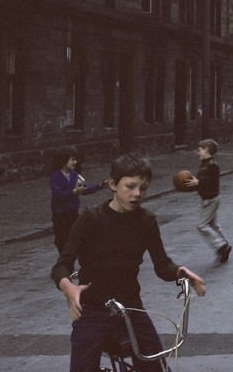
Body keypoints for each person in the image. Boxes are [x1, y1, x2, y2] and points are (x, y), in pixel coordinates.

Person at [50, 153, 206, 372]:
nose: (137, 194)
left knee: (154, 366)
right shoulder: (91, 219)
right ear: (113, 184)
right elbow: (61, 265)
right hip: (94, 310)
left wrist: (181, 272)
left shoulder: (146, 221)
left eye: (143, 188)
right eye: (130, 187)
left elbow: (162, 266)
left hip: (132, 308)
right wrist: (68, 287)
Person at [49, 148, 107, 254]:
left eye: (76, 159)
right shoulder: (55, 177)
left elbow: (84, 189)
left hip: (73, 211)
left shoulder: (75, 175)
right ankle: (66, 264)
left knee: (77, 236)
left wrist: (100, 186)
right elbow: (58, 194)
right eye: (72, 159)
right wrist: (74, 192)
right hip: (60, 214)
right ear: (63, 160)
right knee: (61, 239)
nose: (75, 162)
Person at [184, 139, 232, 263]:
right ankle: (224, 244)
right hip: (209, 199)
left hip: (211, 200)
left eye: (199, 150)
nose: (197, 152)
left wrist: (199, 182)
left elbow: (211, 181)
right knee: (213, 224)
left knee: (202, 225)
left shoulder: (212, 165)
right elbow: (201, 183)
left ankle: (221, 246)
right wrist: (192, 185)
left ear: (206, 150)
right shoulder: (204, 165)